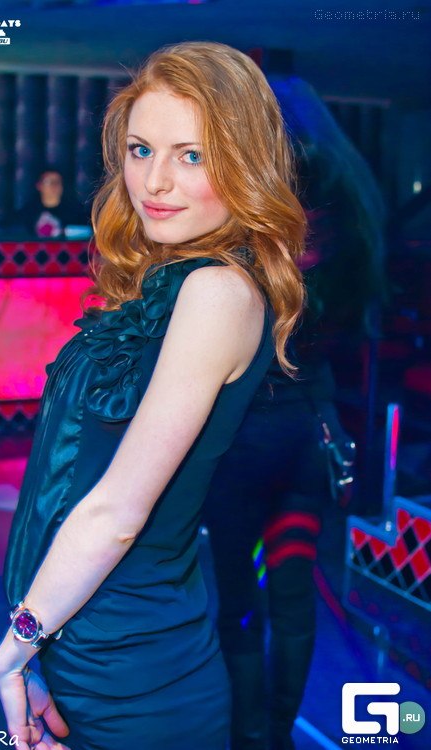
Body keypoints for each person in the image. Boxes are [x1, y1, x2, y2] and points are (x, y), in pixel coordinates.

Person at [0, 42, 306, 750]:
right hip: (74, 641)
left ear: (244, 163)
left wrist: (16, 646)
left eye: (191, 156)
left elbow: (117, 511)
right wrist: (36, 637)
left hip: (134, 676)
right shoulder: (164, 280)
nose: (155, 181)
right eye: (140, 150)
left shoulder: (218, 291)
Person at [203, 76, 387, 750]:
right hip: (308, 434)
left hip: (243, 438)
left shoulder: (255, 213)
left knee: (237, 593)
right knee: (292, 591)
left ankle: (249, 734)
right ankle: (277, 733)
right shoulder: (346, 215)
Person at [11, 167, 87, 237]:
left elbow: (88, 231)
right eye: (48, 182)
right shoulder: (28, 212)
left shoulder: (75, 211)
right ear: (39, 186)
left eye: (57, 182)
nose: (54, 185)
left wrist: (65, 232)